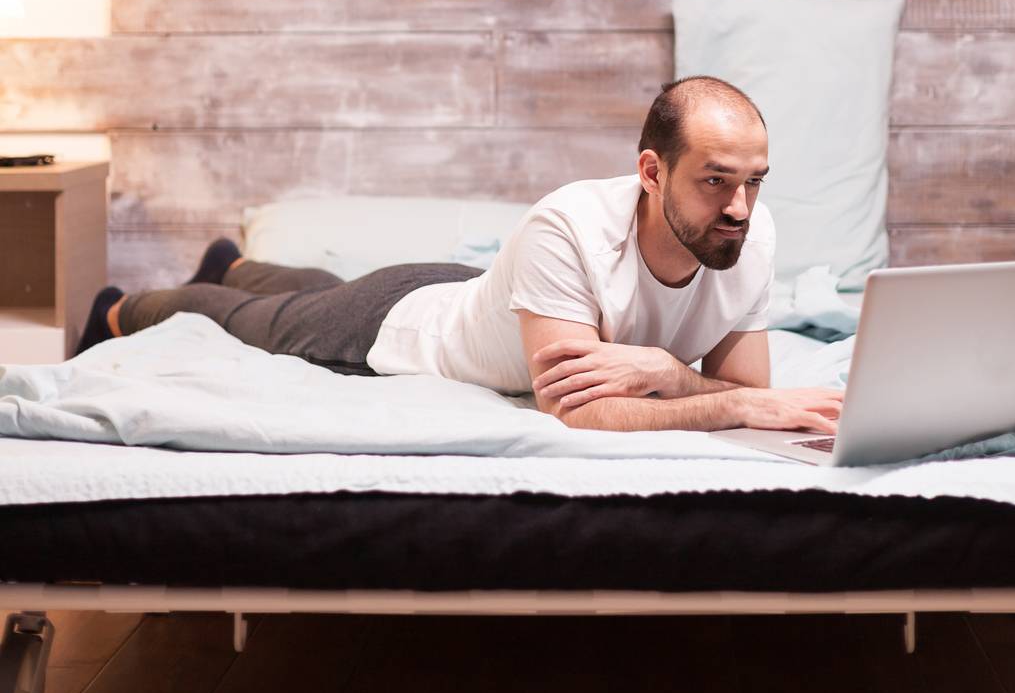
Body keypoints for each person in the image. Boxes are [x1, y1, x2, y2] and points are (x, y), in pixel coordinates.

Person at [76, 75, 843, 437]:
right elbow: (574, 406)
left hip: (467, 294)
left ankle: (237, 260)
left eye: (752, 183)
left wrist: (671, 376)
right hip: (394, 323)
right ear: (650, 173)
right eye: (715, 183)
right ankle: (121, 305)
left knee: (294, 290)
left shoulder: (749, 232)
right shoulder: (568, 225)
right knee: (252, 320)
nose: (738, 209)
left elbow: (740, 382)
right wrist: (715, 397)